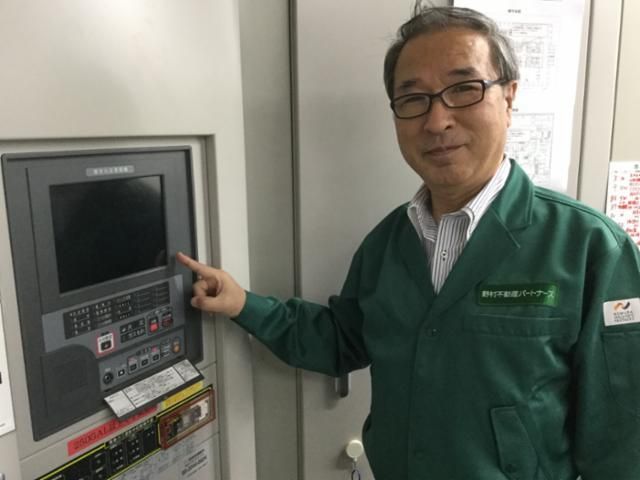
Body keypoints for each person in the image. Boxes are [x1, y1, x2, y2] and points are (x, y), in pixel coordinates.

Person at [178, 3, 640, 479]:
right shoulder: (387, 244)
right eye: (413, 98)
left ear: (508, 97)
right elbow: (341, 340)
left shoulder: (590, 249)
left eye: (463, 89)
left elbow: (623, 440)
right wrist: (243, 304)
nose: (437, 121)